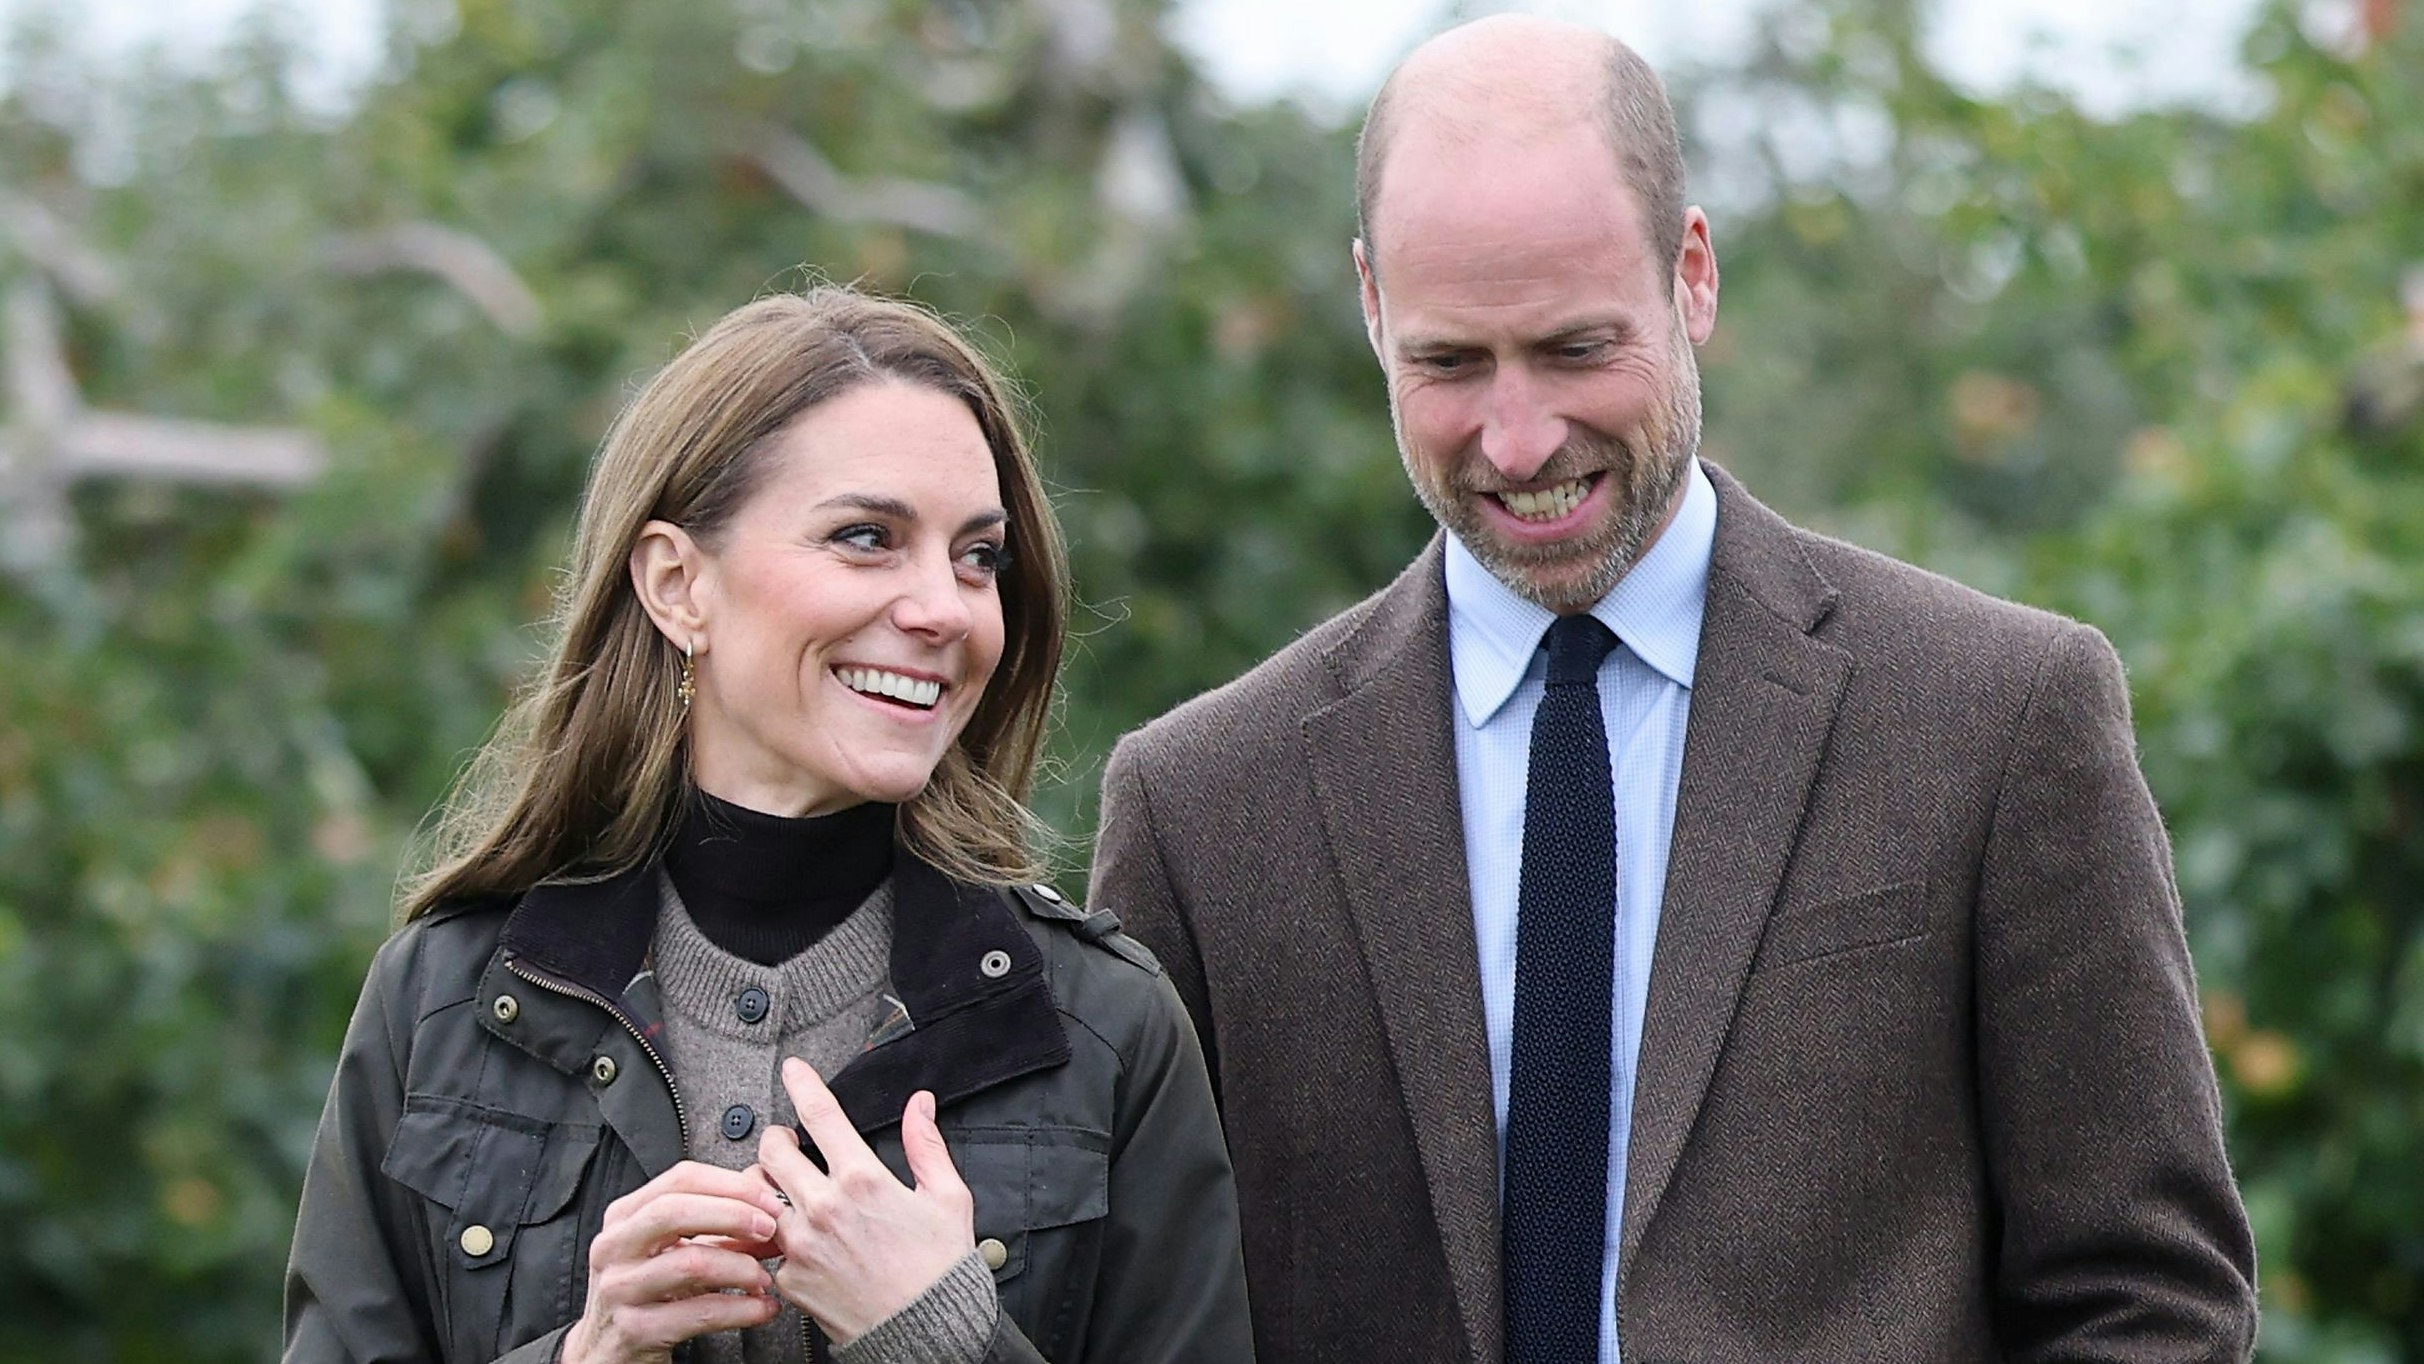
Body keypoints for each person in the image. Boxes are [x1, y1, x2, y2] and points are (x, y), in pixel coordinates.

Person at [1089, 15, 2258, 1364]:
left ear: (1691, 274)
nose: (1519, 440)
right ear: (1370, 306)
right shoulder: (1199, 807)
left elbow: (2148, 1300)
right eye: (1450, 363)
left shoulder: (1999, 717)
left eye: (1579, 349)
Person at [285, 286, 1252, 1364]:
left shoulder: (1103, 1028)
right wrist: (588, 1352)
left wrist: (940, 1338)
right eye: (866, 537)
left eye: (978, 556)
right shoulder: (445, 1002)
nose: (945, 606)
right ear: (676, 584)